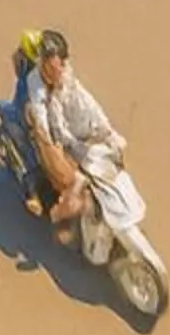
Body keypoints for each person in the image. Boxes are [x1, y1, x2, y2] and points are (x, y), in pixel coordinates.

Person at [22, 30, 122, 232]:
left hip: (73, 133)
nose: (58, 68)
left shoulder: (66, 75)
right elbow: (41, 114)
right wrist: (50, 143)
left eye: (60, 63)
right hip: (53, 135)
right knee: (59, 173)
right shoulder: (35, 83)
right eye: (51, 64)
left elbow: (85, 101)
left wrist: (106, 128)